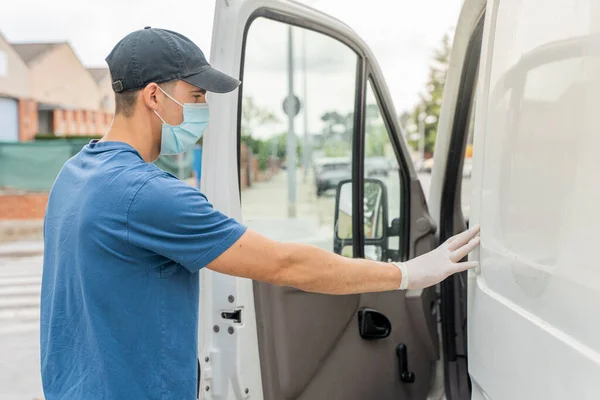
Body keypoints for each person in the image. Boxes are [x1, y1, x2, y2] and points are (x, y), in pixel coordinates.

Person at [40, 27, 480, 400]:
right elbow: (285, 264)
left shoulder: (76, 174)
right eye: (195, 95)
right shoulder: (148, 195)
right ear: (154, 96)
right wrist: (407, 273)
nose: (203, 109)